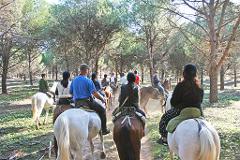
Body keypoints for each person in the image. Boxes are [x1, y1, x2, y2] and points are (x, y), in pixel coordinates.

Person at [158, 64, 204, 145]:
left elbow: (173, 102)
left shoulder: (180, 86)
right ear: (195, 74)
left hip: (181, 111)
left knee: (164, 119)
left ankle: (164, 139)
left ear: (184, 74)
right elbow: (200, 101)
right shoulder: (199, 87)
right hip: (197, 112)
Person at [70, 64, 110, 135]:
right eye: (88, 70)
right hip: (87, 102)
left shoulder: (74, 80)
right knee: (102, 110)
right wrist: (102, 99)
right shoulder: (88, 80)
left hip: (76, 103)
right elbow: (94, 93)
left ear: (80, 70)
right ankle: (104, 129)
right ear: (86, 70)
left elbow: (71, 92)